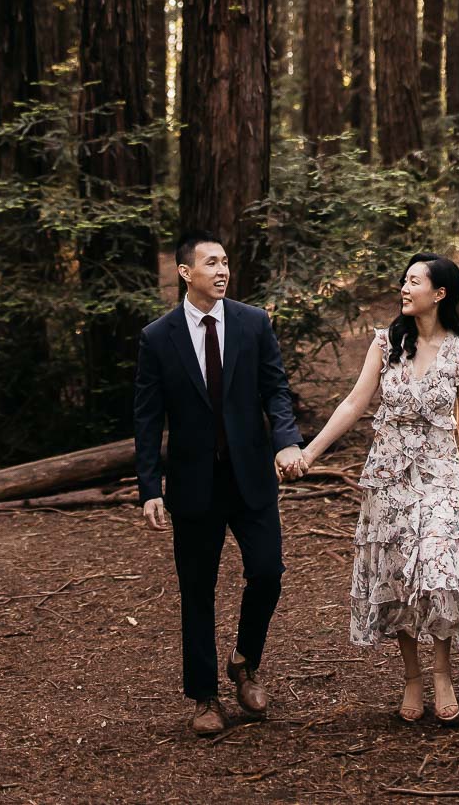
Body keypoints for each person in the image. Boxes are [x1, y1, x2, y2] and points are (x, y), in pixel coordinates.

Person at [290, 253, 459, 724]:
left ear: (440, 293)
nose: (404, 288)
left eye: (415, 281)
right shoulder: (386, 343)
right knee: (396, 577)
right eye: (404, 280)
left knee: (438, 569)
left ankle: (442, 671)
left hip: (437, 477)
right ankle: (412, 675)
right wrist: (310, 453)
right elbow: (354, 403)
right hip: (388, 478)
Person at [134, 233, 306, 737]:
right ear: (186, 272)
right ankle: (205, 696)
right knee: (197, 591)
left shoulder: (253, 323)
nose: (223, 270)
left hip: (250, 476)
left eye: (226, 262)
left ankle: (245, 662)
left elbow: (275, 388)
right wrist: (149, 487)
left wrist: (286, 441)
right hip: (192, 483)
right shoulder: (157, 337)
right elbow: (147, 420)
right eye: (211, 262)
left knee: (268, 572)